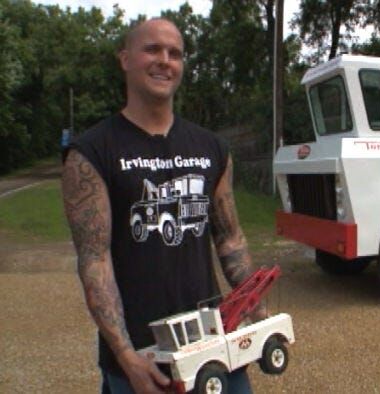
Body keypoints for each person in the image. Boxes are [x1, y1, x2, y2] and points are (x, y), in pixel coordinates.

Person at [61, 18, 264, 394]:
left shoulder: (212, 148)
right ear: (125, 59)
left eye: (175, 53)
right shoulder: (92, 153)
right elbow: (94, 259)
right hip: (142, 362)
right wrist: (125, 356)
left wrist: (251, 303)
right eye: (152, 49)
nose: (165, 60)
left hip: (212, 343)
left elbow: (230, 239)